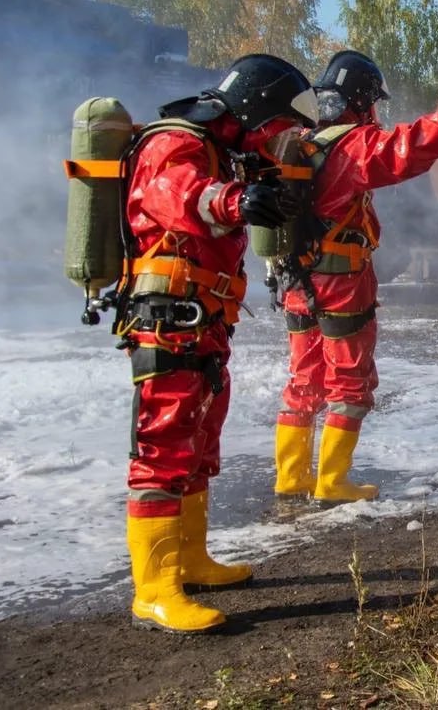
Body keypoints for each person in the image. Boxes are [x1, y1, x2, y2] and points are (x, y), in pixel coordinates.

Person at [121, 54, 316, 632]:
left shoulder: (222, 148)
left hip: (202, 316)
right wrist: (233, 201)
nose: (280, 132)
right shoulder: (176, 142)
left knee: (200, 438)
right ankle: (154, 591)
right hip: (168, 315)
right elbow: (174, 195)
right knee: (164, 442)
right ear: (256, 105)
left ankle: (189, 561)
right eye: (277, 119)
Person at [271, 50, 438, 503]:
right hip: (340, 282)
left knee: (304, 379)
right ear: (361, 100)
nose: (376, 113)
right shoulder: (352, 146)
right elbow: (411, 145)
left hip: (297, 282)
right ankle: (332, 482)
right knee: (348, 382)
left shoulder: (302, 141)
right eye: (374, 104)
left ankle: (291, 477)